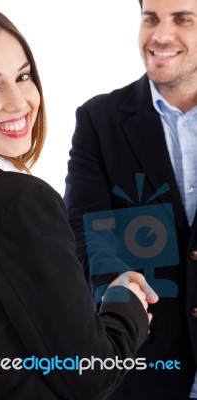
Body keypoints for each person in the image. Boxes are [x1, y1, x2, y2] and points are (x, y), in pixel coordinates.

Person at [0, 3, 158, 399]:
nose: (20, 103)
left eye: (23, 77)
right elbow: (88, 373)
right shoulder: (18, 203)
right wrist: (127, 304)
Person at [64, 0, 197, 399]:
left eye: (182, 19)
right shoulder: (99, 120)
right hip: (145, 367)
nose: (160, 35)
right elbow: (86, 229)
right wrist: (114, 286)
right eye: (150, 18)